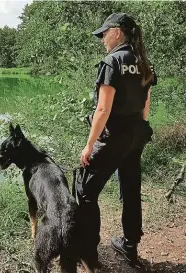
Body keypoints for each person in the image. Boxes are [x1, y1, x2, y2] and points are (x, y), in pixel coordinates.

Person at [74, 12, 157, 270]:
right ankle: (130, 247)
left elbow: (102, 110)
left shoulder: (112, 62)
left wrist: (90, 145)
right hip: (137, 134)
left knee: (85, 191)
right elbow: (145, 107)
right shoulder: (144, 63)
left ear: (117, 32)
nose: (102, 39)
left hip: (115, 136)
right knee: (131, 189)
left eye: (104, 33)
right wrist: (136, 131)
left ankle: (89, 253)